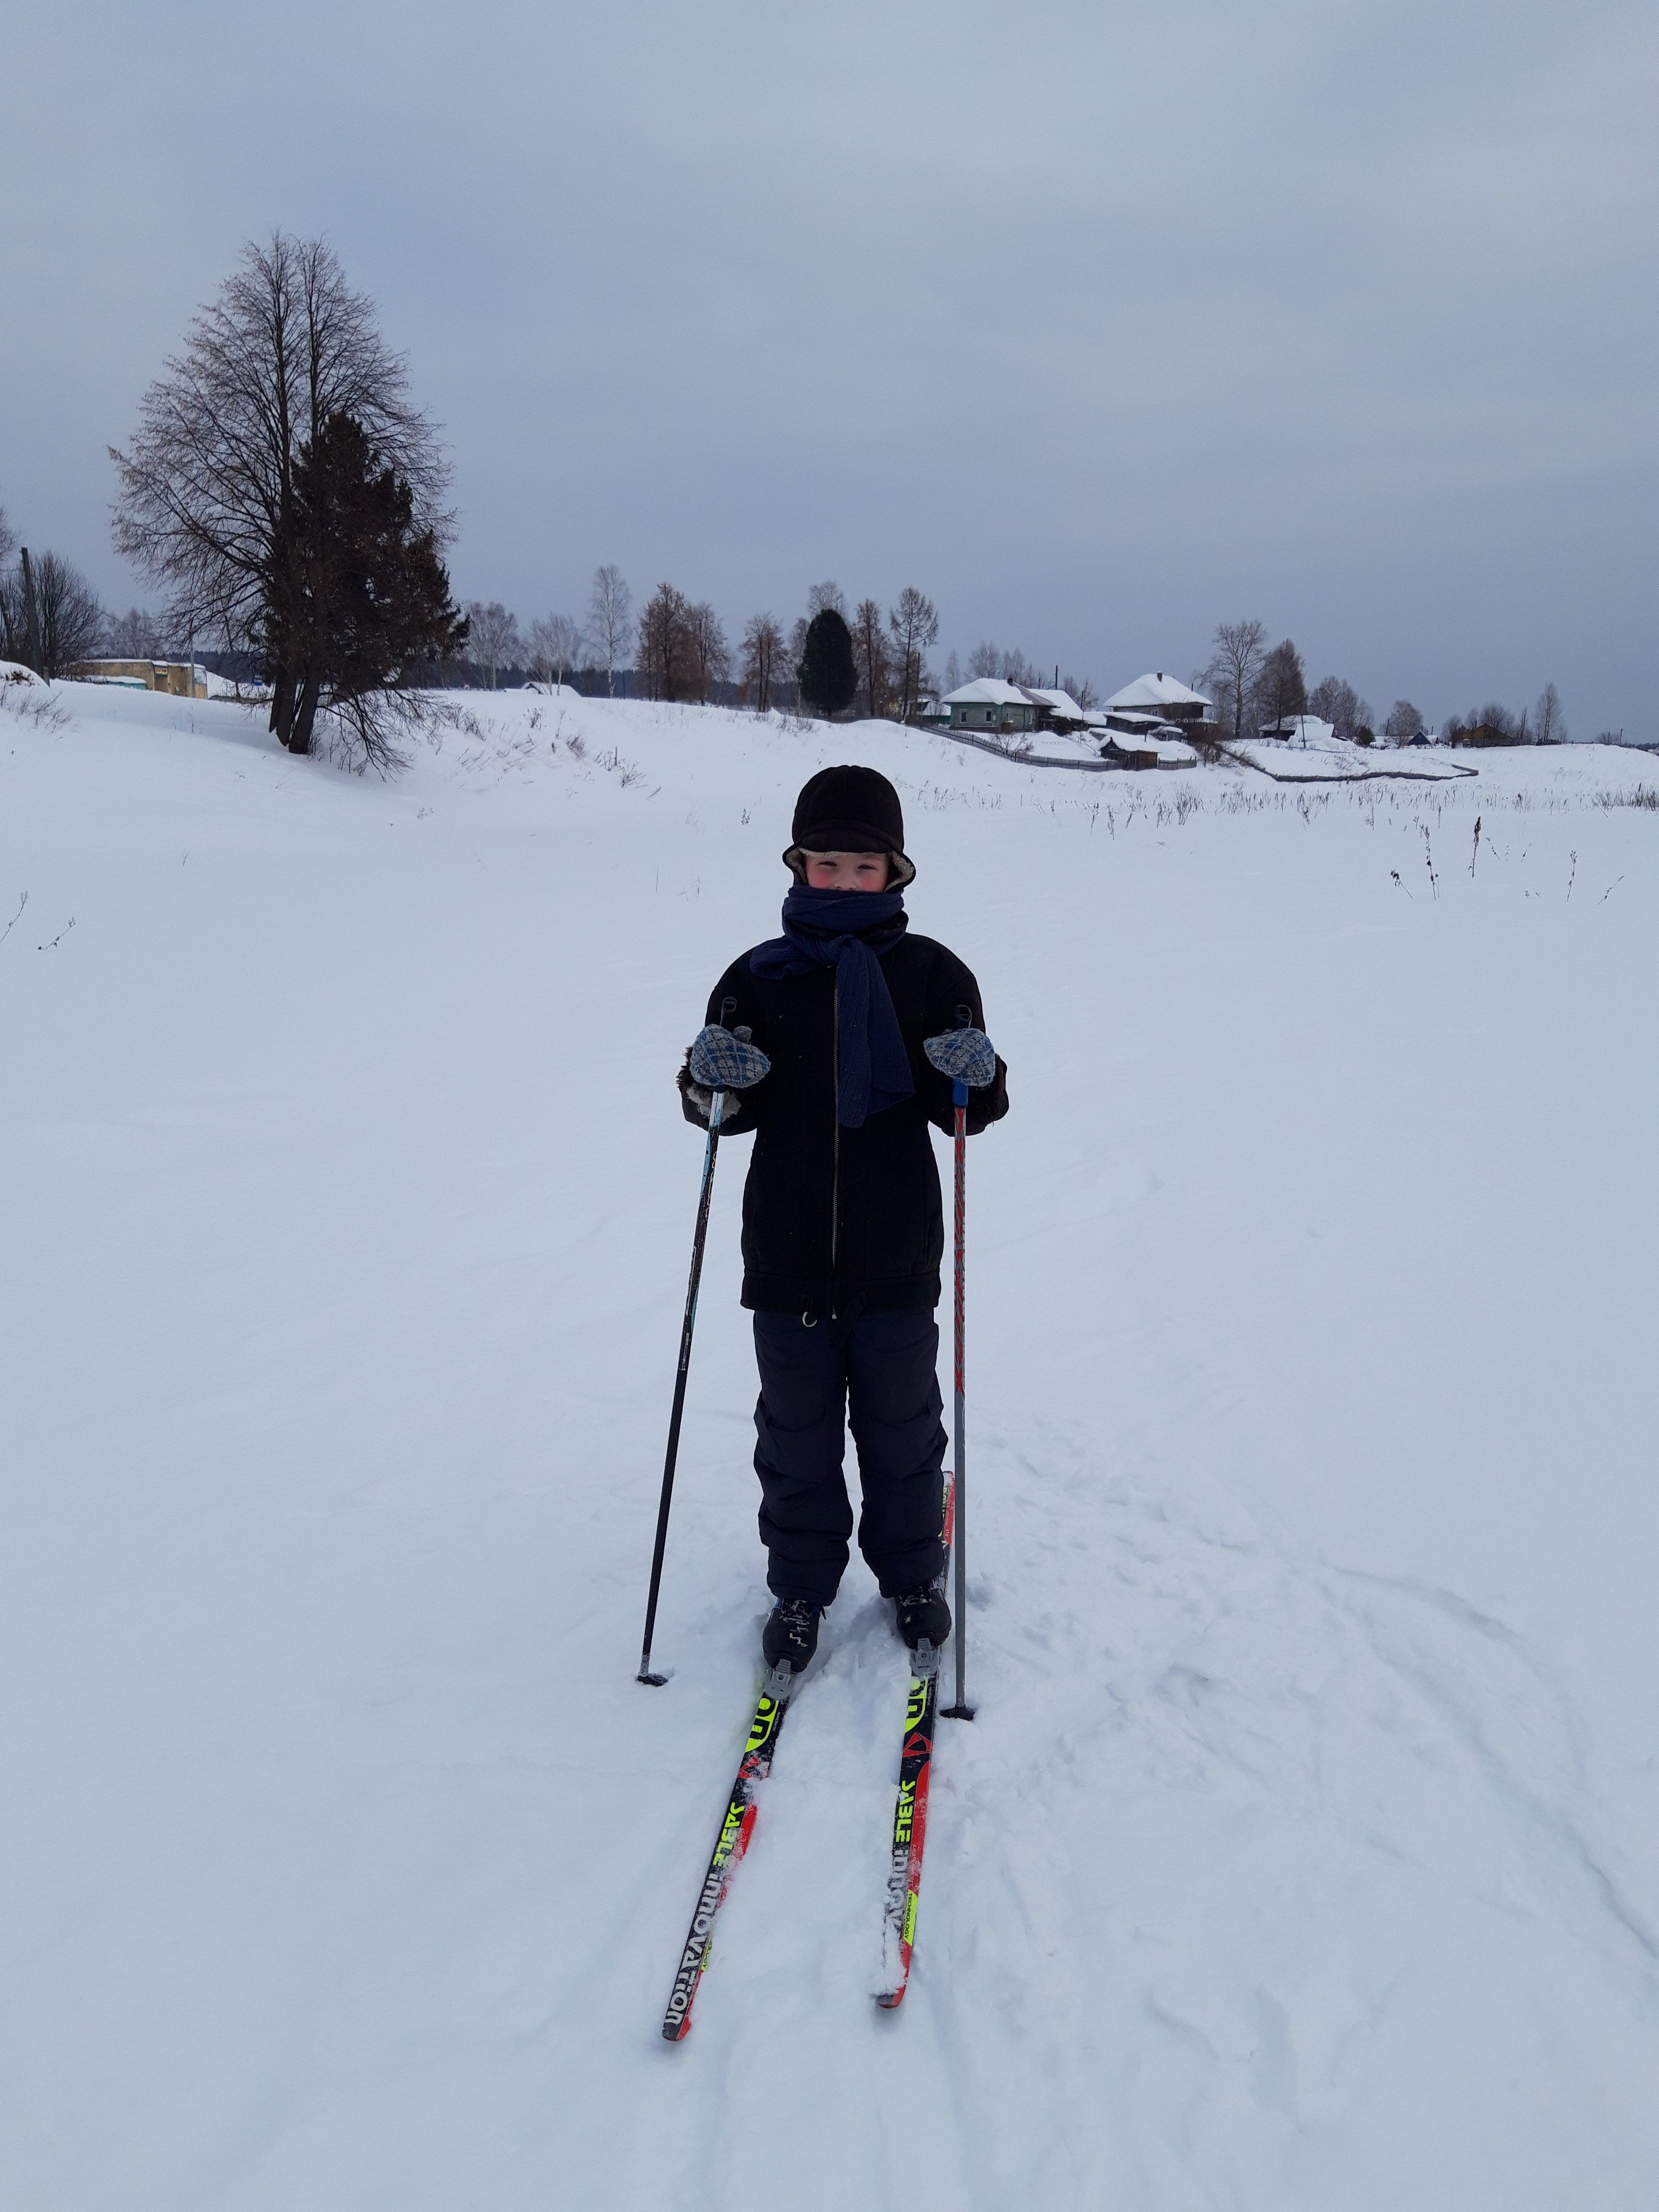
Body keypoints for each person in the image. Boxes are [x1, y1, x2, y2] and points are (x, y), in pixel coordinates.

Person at [678, 764, 1009, 1675]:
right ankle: (800, 1587)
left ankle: (912, 1579)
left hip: (895, 1256)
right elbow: (720, 1111)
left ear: (895, 874)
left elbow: (971, 1111)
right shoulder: (755, 978)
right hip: (785, 1256)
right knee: (797, 1436)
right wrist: (712, 1076)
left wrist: (976, 1073)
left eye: (864, 868)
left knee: (903, 1432)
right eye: (828, 865)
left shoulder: (935, 975)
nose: (846, 882)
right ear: (799, 868)